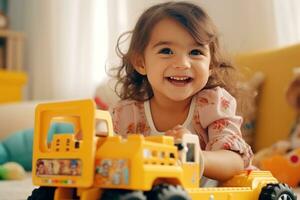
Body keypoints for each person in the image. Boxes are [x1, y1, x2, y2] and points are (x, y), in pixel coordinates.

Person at [112, 1, 253, 182]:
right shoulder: (126, 114)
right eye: (166, 51)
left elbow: (234, 161)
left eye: (195, 52)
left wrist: (195, 156)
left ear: (210, 65)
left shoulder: (212, 104)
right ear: (141, 63)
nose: (182, 63)